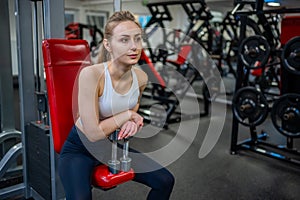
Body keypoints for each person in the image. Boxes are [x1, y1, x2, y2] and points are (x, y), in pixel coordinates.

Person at [58, 10, 175, 200]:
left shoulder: (141, 77)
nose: (134, 46)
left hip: (112, 147)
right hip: (80, 149)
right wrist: (127, 116)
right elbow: (93, 134)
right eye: (124, 40)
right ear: (108, 44)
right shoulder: (92, 75)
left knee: (165, 180)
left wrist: (133, 119)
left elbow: (134, 105)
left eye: (137, 39)